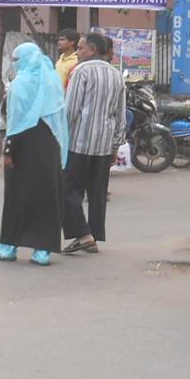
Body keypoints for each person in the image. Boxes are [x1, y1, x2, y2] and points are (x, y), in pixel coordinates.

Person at [0, 43, 68, 266]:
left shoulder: (19, 84)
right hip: (50, 147)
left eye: (16, 60)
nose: (14, 64)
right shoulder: (53, 81)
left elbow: (15, 123)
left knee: (17, 198)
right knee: (47, 198)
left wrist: (8, 152)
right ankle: (42, 252)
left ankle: (7, 248)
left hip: (23, 148)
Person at [62, 33, 126, 254]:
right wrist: (116, 144)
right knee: (97, 192)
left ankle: (83, 234)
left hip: (80, 142)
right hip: (104, 143)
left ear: (92, 50)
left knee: (68, 189)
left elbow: (71, 109)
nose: (77, 52)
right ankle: (94, 235)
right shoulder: (116, 75)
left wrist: (62, 135)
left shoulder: (81, 71)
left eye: (80, 48)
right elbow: (121, 113)